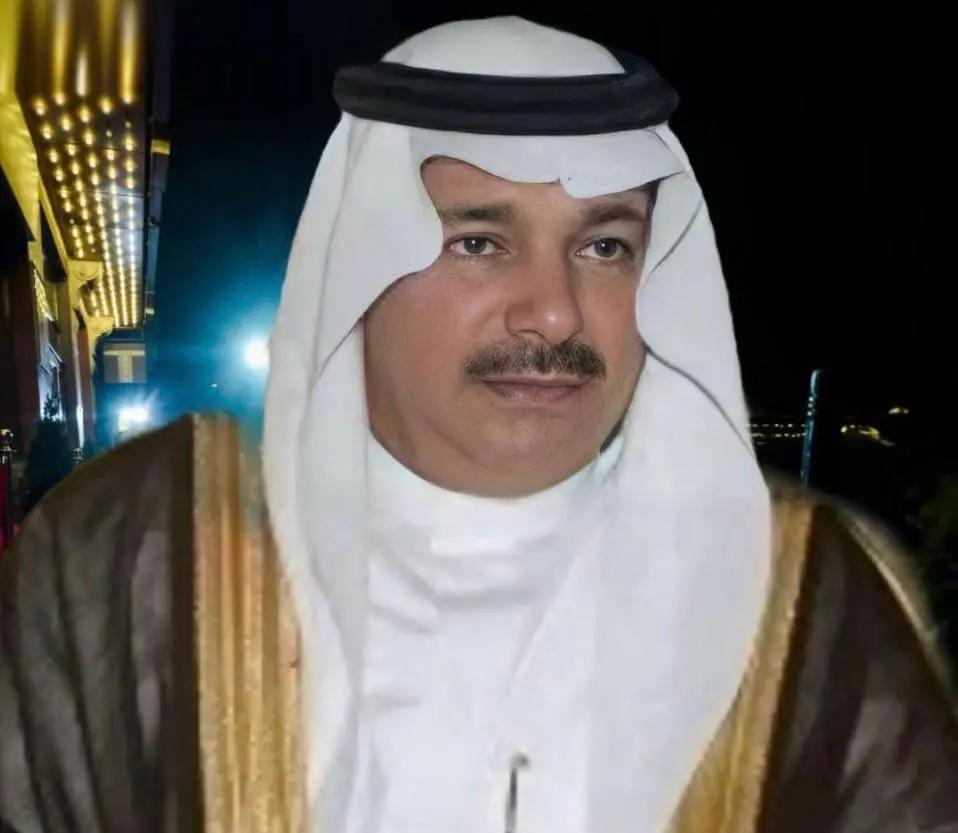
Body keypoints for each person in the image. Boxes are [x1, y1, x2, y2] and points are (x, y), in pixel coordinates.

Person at [2, 16, 956, 833]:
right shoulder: (127, 559)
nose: (555, 313)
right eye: (480, 242)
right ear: (362, 262)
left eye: (605, 246)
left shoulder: (807, 605)